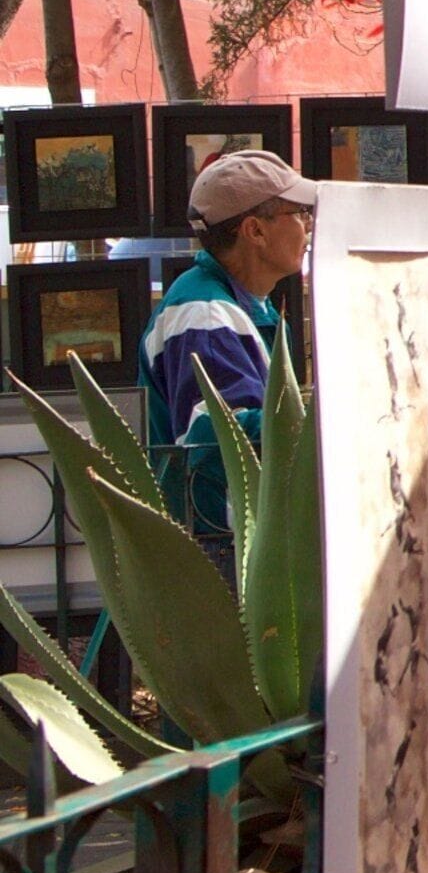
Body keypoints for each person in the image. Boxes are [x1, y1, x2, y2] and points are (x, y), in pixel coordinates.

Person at [144, 150, 313, 568]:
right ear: (255, 230)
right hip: (224, 549)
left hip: (239, 541)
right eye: (299, 213)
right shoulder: (204, 314)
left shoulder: (239, 305)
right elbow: (217, 433)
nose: (308, 226)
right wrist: (325, 415)